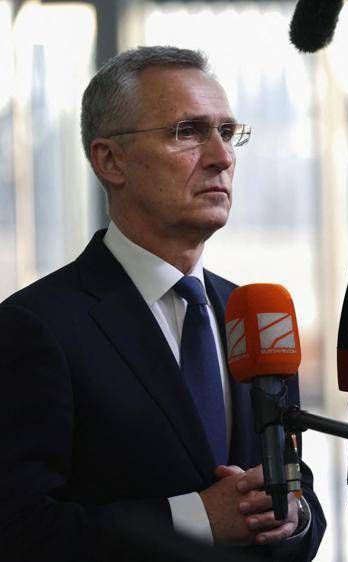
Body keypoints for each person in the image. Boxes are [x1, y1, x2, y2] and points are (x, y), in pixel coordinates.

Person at [0, 46, 325, 561]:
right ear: (110, 160)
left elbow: (290, 482)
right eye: (188, 132)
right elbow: (20, 530)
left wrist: (294, 517)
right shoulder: (36, 326)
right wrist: (196, 520)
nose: (222, 157)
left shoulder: (255, 314)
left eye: (227, 132)